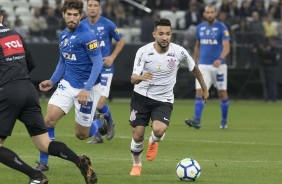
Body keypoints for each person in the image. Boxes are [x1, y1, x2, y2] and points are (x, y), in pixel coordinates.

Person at [0, 9, 97, 184]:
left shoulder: (86, 36)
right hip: (28, 90)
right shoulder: (15, 35)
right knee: (44, 143)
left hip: (9, 92)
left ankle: (36, 176)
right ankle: (78, 161)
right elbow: (29, 63)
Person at [129, 18, 209, 176]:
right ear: (154, 34)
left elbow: (195, 69)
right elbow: (133, 78)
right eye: (161, 34)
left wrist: (204, 88)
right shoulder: (143, 52)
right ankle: (137, 164)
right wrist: (141, 77)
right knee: (138, 135)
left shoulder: (179, 52)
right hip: (141, 97)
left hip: (163, 99)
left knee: (159, 130)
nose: (164, 37)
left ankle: (153, 140)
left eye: (168, 34)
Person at [35, 0, 105, 172]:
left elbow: (98, 64)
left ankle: (98, 124)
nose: (72, 18)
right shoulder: (63, 35)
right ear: (63, 15)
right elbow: (63, 61)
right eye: (69, 14)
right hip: (67, 83)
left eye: (75, 15)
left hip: (87, 87)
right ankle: (43, 162)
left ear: (80, 16)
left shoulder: (87, 36)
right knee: (48, 120)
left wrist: (86, 89)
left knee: (81, 135)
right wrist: (52, 81)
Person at [81, 0, 126, 144]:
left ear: (99, 8)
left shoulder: (108, 24)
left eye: (95, 6)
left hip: (105, 69)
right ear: (87, 8)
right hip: (89, 69)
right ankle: (97, 136)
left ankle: (110, 122)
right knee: (91, 102)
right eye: (90, 5)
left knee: (99, 104)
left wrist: (112, 57)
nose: (92, 8)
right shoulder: (81, 25)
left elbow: (122, 40)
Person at [185, 4, 230, 129]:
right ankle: (197, 121)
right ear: (204, 14)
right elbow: (198, 46)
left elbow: (227, 46)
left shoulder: (222, 27)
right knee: (200, 92)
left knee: (222, 94)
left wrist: (220, 59)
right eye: (207, 12)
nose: (209, 14)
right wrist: (194, 62)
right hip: (203, 65)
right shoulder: (200, 28)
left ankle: (224, 121)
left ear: (215, 13)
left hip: (218, 67)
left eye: (212, 12)